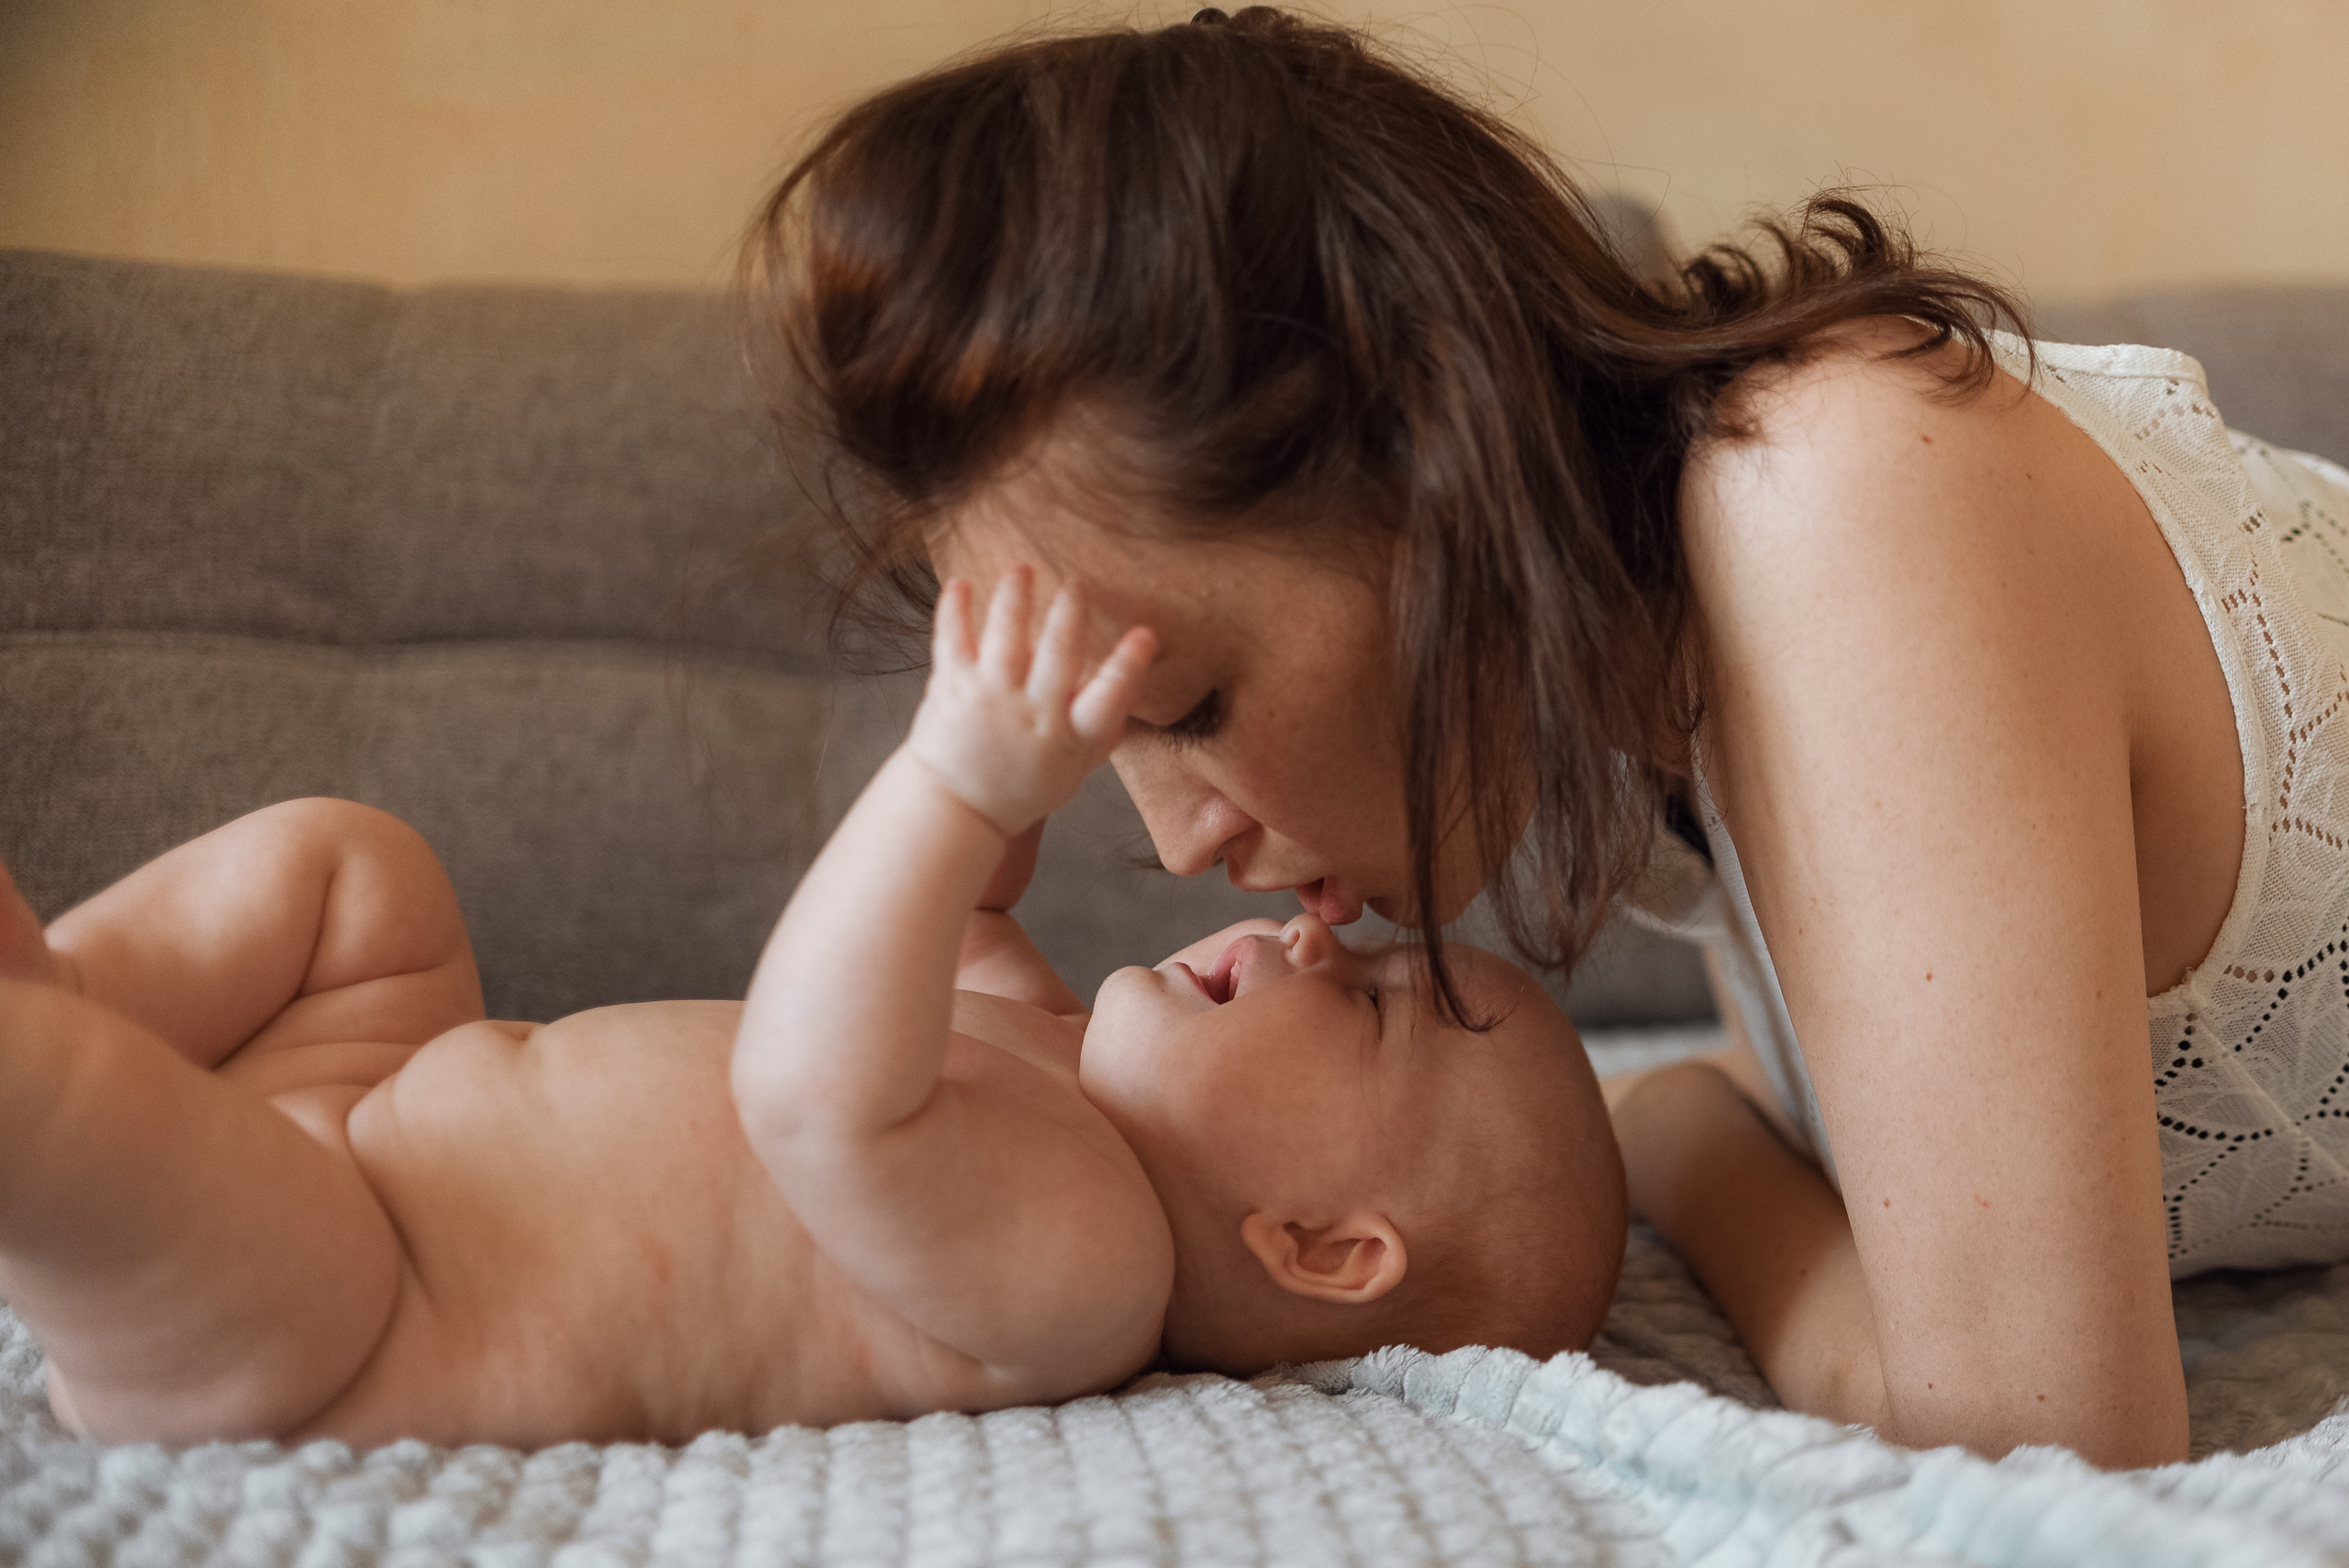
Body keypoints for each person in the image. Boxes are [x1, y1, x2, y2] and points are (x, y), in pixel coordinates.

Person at [742, 6, 2349, 1466]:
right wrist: (1686, 1128)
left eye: (1190, 709)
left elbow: (2044, 1449)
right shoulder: (1656, 710)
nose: (1180, 845)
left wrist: (1691, 1146)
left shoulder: (1838, 496)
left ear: (1432, 478)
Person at [0, 572, 1621, 1450]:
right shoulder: (1063, 1079)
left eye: (1378, 1006)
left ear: (1322, 1246)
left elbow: (813, 1089)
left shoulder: (1087, 1268)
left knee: (55, 1096)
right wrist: (1020, 783)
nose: (1322, 942)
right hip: (380, 1100)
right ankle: (63, 984)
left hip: (342, 1316)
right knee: (359, 875)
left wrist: (948, 775)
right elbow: (965, 920)